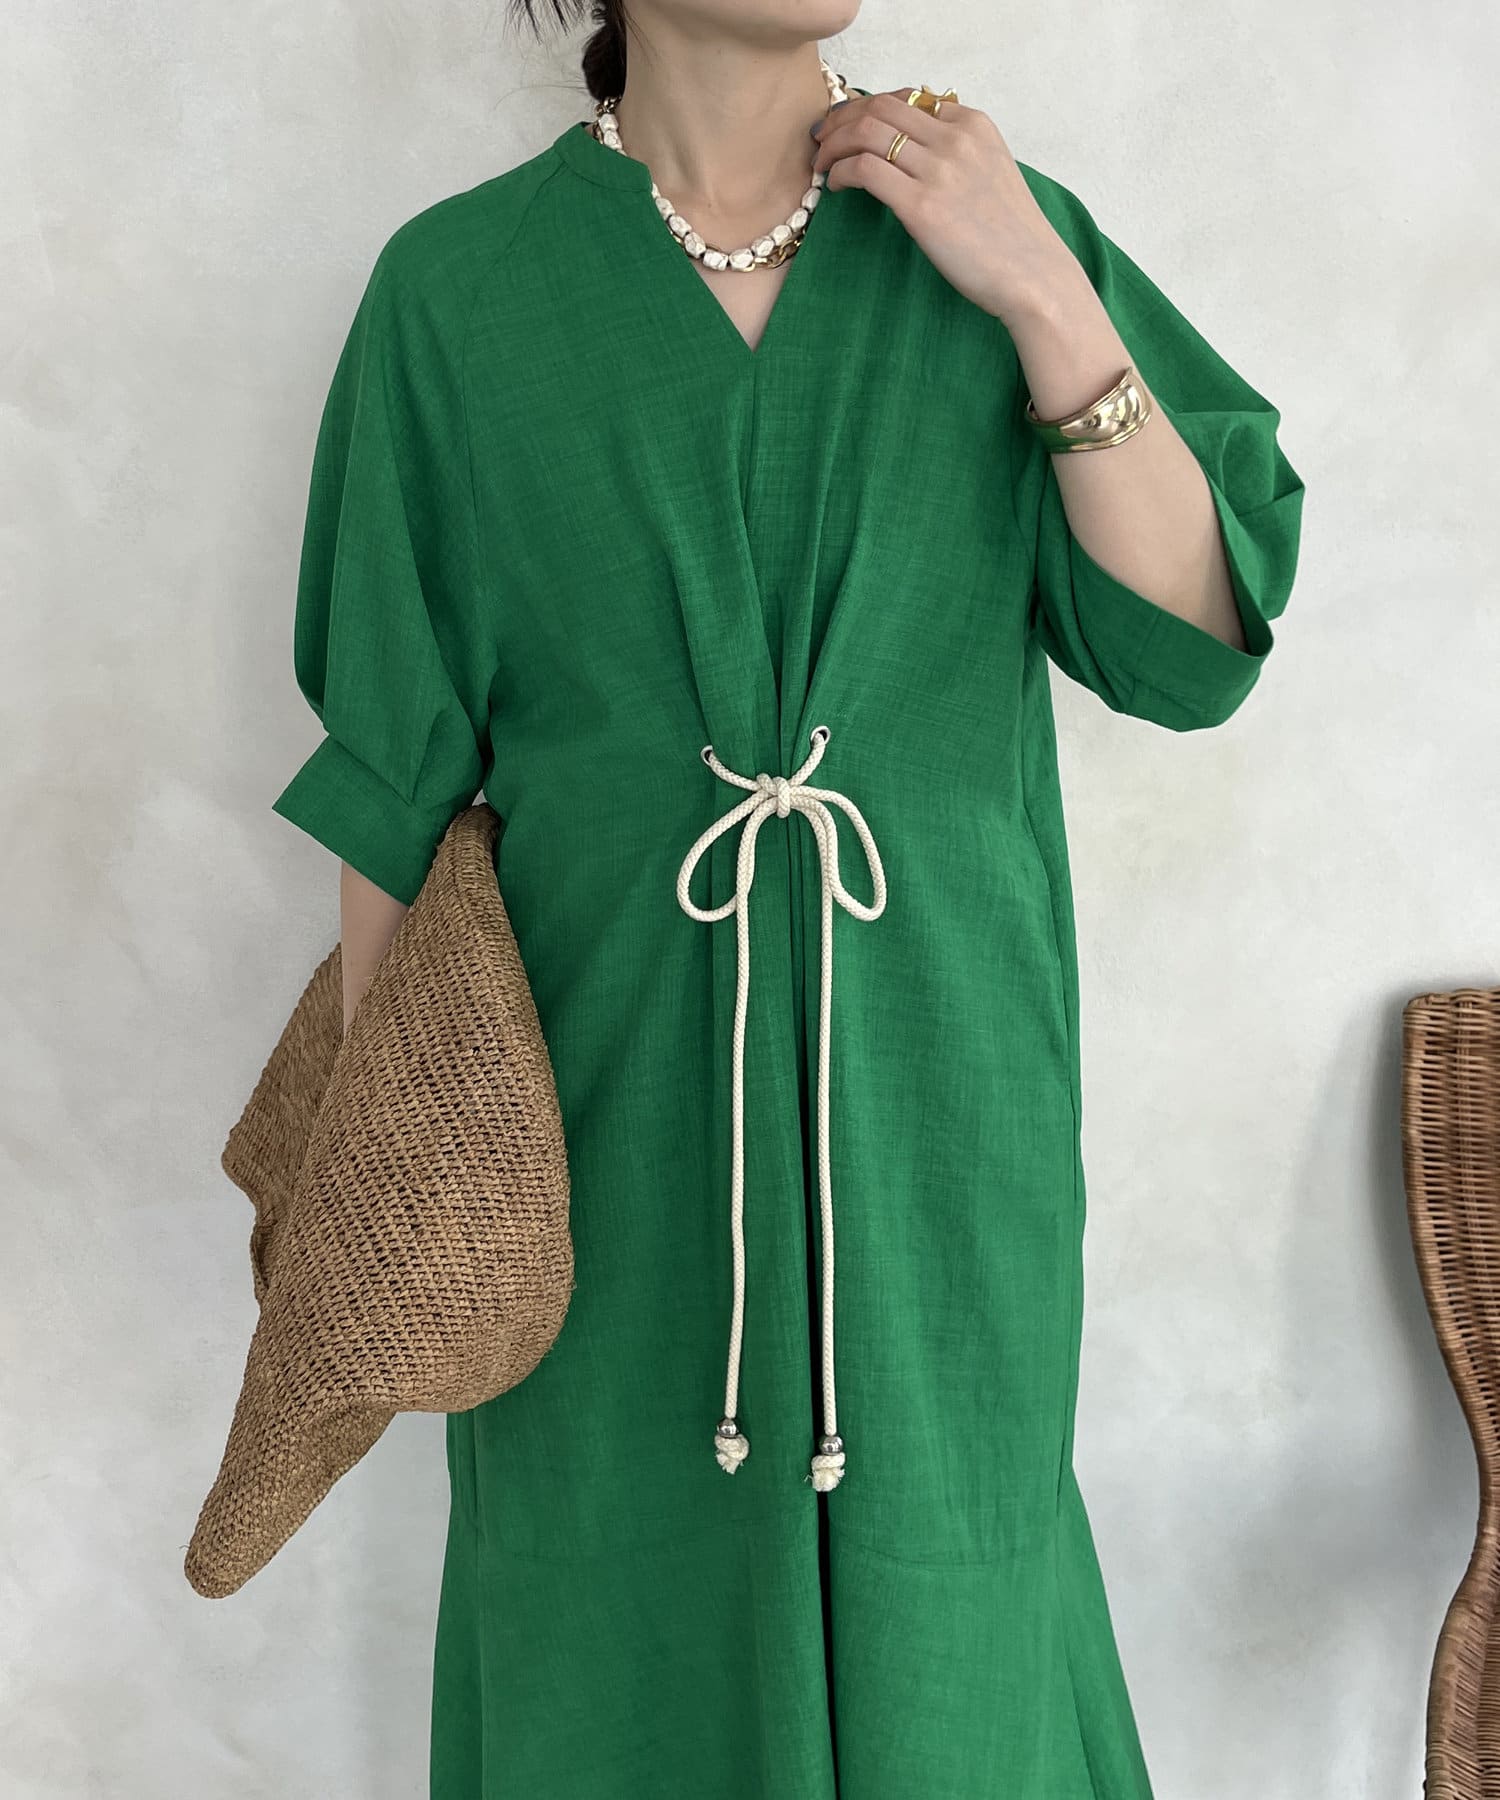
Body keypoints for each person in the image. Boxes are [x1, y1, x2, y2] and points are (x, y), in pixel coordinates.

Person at [269, 1, 1306, 1793]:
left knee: (958, 1638)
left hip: (942, 1120)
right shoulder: (455, 295)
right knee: (609, 1635)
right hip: (597, 1141)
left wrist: (1041, 293)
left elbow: (1189, 644)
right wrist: (404, 1177)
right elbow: (396, 789)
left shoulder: (994, 224)